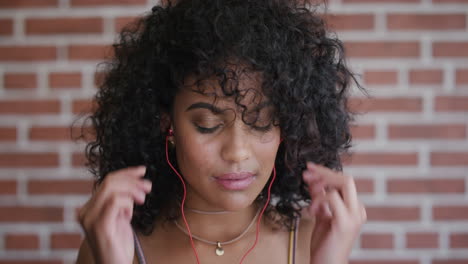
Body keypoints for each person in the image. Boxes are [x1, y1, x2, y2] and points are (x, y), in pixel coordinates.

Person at [74, 0, 367, 263]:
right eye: (207, 124)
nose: (237, 151)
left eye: (262, 121)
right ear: (167, 123)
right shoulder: (113, 244)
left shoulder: (315, 240)